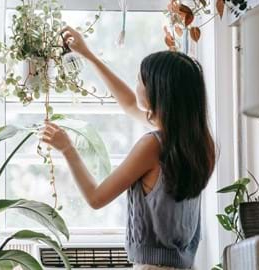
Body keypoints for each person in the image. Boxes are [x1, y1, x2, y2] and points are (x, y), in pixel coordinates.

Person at [40, 26, 216, 270]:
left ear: (158, 92)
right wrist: (88, 55)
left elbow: (96, 197)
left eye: (140, 79)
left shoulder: (152, 146)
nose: (136, 84)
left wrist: (67, 148)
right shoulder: (201, 144)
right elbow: (129, 103)